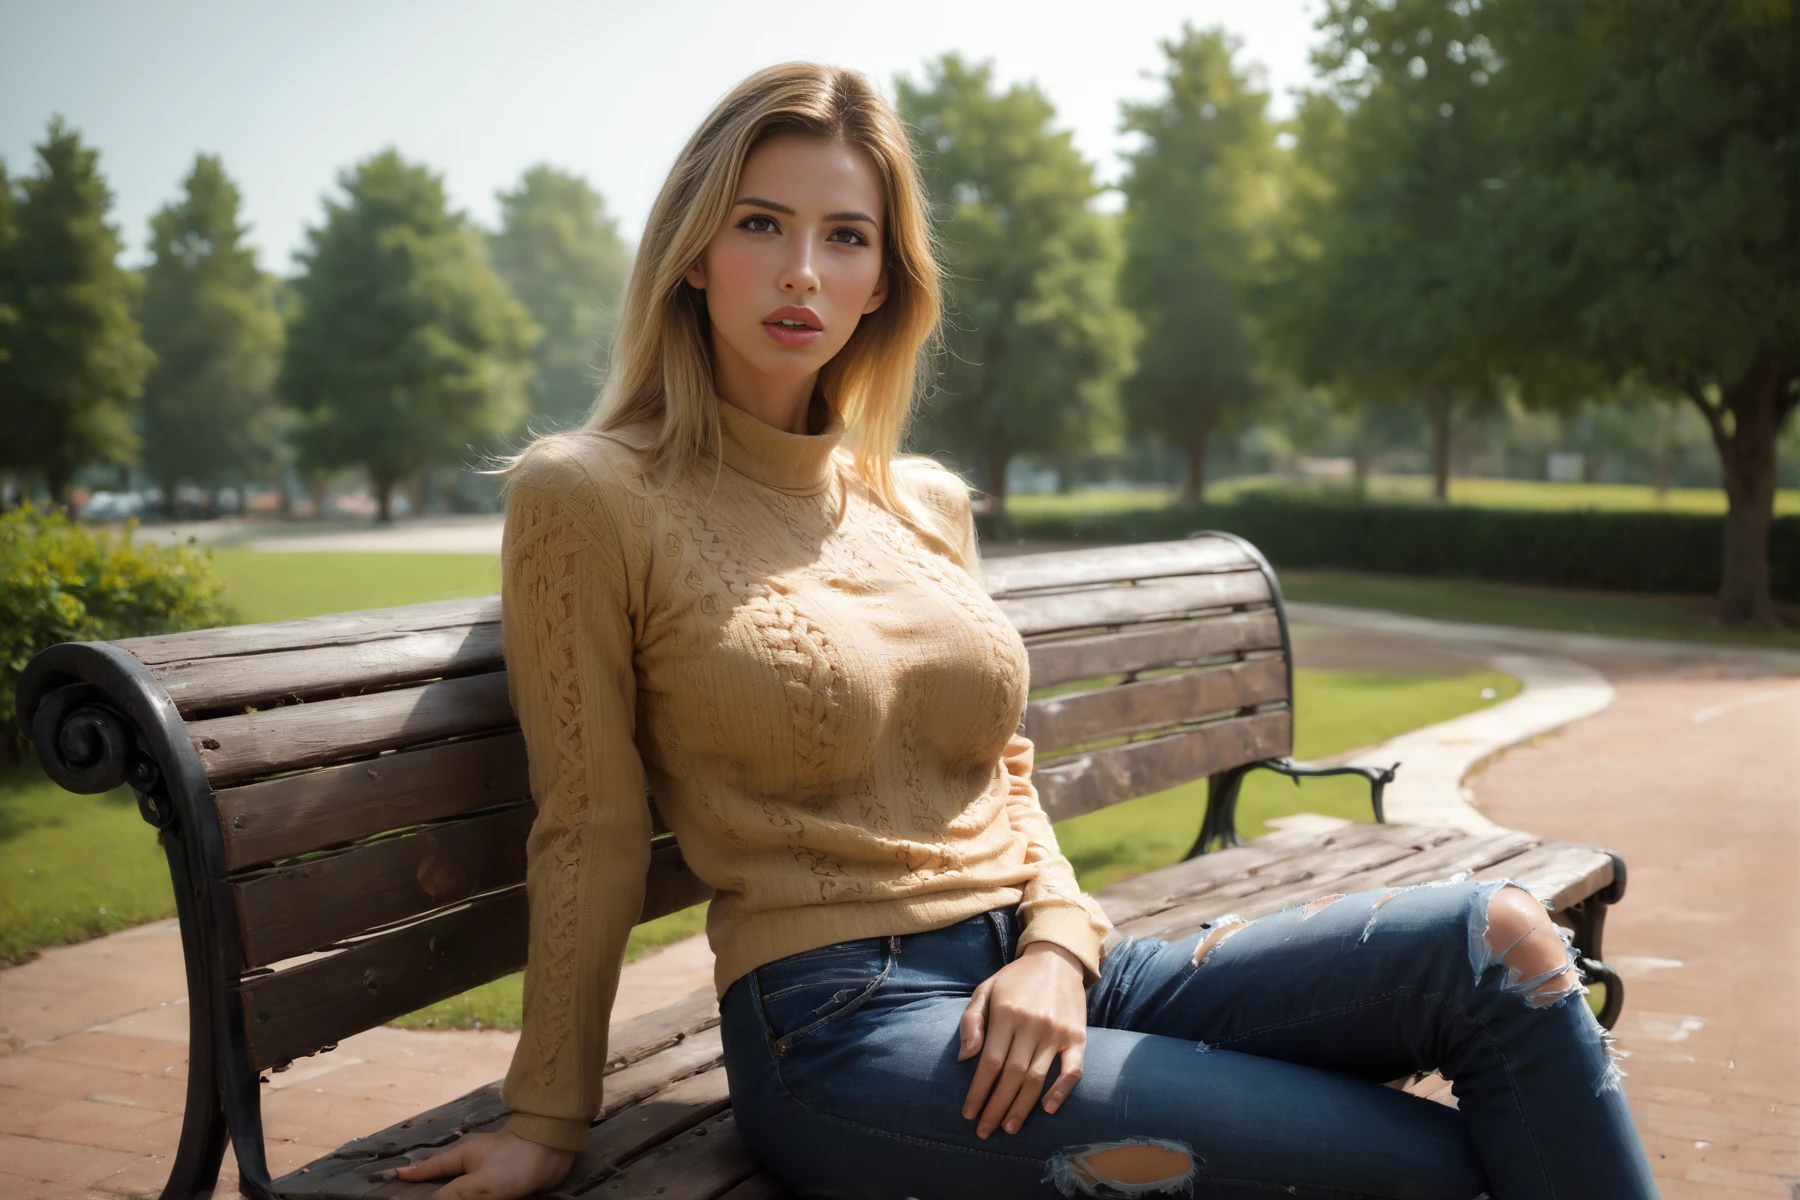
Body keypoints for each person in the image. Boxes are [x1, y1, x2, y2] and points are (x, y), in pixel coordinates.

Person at [396, 62, 1657, 1200]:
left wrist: (1056, 943)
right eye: (761, 225)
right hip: (842, 1027)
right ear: (691, 249)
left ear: (884, 279)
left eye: (846, 238)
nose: (801, 274)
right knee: (1449, 1168)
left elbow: (1003, 771)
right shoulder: (590, 495)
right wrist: (547, 1119)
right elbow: (591, 825)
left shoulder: (924, 500)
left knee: (1498, 948)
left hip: (1046, 969)